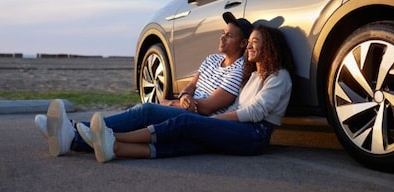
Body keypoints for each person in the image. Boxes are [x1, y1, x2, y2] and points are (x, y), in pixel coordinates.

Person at [35, 12, 253, 157]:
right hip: (187, 107)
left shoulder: (238, 69)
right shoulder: (211, 59)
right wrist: (185, 96)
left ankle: (71, 129)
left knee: (146, 111)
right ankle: (72, 137)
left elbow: (207, 107)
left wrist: (173, 103)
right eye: (223, 33)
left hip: (200, 120)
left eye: (229, 36)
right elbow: (191, 85)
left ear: (243, 43)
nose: (222, 38)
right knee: (142, 115)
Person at [71, 24, 294, 162]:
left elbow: (255, 112)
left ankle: (112, 136)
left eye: (255, 42)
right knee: (190, 143)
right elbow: (238, 107)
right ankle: (113, 148)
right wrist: (208, 120)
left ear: (269, 47)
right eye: (250, 43)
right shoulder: (253, 76)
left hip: (255, 135)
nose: (250, 47)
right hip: (241, 129)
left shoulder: (279, 76)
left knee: (187, 124)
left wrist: (213, 121)